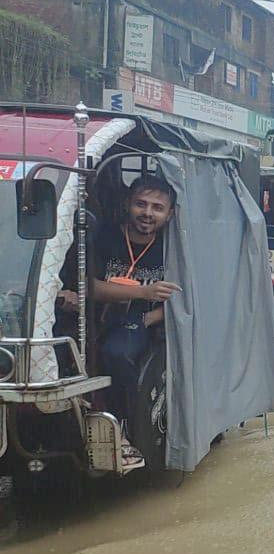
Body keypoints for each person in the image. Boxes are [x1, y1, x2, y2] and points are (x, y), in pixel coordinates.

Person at [92, 175, 181, 470]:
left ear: (169, 214)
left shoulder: (174, 247)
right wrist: (143, 291)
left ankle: (127, 431)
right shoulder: (105, 237)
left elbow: (191, 300)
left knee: (116, 353)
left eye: (157, 207)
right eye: (141, 204)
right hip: (97, 315)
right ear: (127, 204)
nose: (147, 213)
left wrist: (151, 317)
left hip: (142, 320)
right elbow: (89, 287)